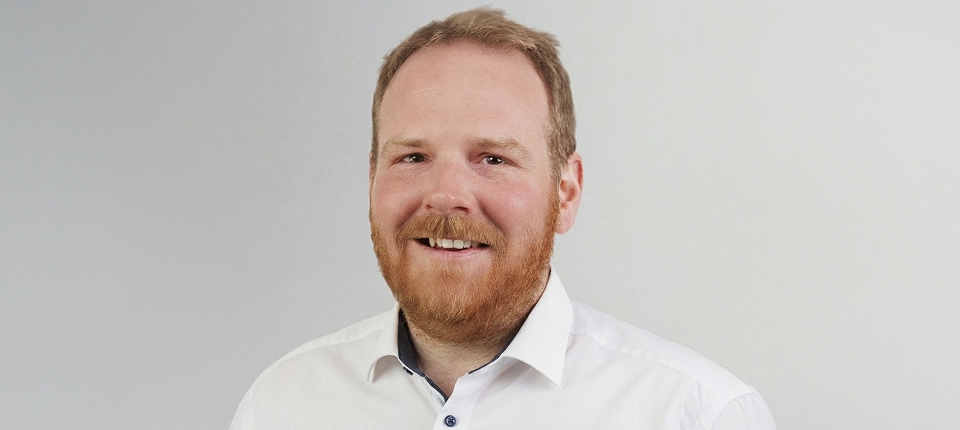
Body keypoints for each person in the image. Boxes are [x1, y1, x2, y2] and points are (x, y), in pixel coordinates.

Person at [230, 8, 776, 429]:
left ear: (566, 191)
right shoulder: (282, 404)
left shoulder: (696, 415)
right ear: (372, 179)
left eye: (494, 158)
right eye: (413, 157)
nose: (446, 196)